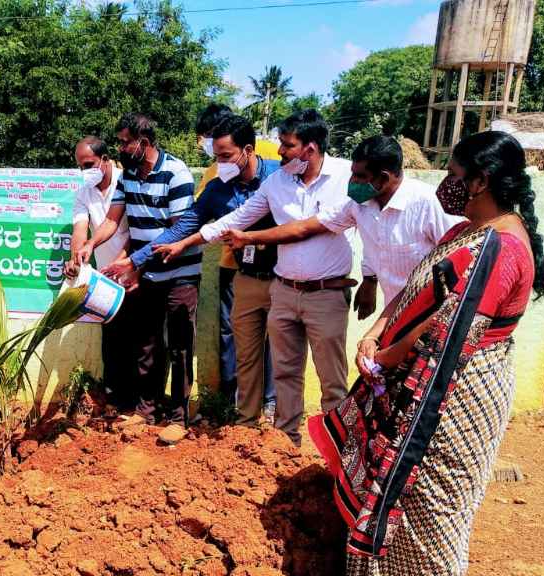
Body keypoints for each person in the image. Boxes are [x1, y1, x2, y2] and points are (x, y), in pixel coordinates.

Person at [309, 131, 544, 576]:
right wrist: (378, 332)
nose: (446, 185)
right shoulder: (469, 231)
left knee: (432, 503)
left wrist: (387, 357)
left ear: (481, 181)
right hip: (426, 384)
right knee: (404, 491)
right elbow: (417, 294)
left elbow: (451, 333)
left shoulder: (499, 247)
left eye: (455, 175)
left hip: (456, 397)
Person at [155, 110, 355, 446]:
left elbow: (307, 228)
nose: (279, 152)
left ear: (311, 147)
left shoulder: (346, 177)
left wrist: (251, 239)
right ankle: (284, 443)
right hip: (285, 289)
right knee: (286, 373)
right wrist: (187, 241)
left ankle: (340, 452)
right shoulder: (278, 182)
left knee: (331, 379)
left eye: (287, 145)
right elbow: (239, 216)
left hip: (326, 292)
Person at [106, 113, 280, 427]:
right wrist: (135, 261)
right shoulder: (216, 188)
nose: (220, 163)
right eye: (216, 157)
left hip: (286, 277)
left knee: (281, 352)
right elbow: (187, 225)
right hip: (245, 276)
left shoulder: (277, 178)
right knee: (245, 349)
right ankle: (245, 421)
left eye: (226, 156)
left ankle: (277, 418)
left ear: (250, 150)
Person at [221, 135, 463, 317]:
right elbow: (304, 228)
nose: (352, 183)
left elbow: (463, 260)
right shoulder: (358, 206)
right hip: (397, 313)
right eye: (351, 174)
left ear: (385, 178)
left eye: (359, 177)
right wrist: (249, 237)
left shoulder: (428, 204)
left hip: (437, 314)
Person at [79, 113, 195, 427]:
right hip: (148, 271)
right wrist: (91, 243)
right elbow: (113, 220)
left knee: (180, 345)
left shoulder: (176, 172)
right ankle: (147, 411)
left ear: (142, 143)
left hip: (179, 272)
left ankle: (179, 418)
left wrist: (134, 262)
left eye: (124, 142)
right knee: (149, 344)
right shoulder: (127, 175)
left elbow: (178, 230)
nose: (120, 147)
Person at [195, 103, 279, 410]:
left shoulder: (274, 163)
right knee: (234, 331)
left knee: (265, 333)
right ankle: (236, 400)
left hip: (272, 266)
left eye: (209, 138)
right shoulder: (217, 172)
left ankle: (264, 401)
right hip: (233, 263)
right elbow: (202, 215)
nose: (209, 149)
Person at [67, 135, 135, 412]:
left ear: (105, 160)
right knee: (113, 339)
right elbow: (80, 231)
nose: (86, 171)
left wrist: (124, 263)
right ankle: (114, 400)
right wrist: (77, 260)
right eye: (81, 167)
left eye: (90, 164)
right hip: (106, 279)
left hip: (133, 269)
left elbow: (136, 231)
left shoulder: (127, 181)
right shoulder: (84, 192)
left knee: (140, 340)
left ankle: (139, 405)